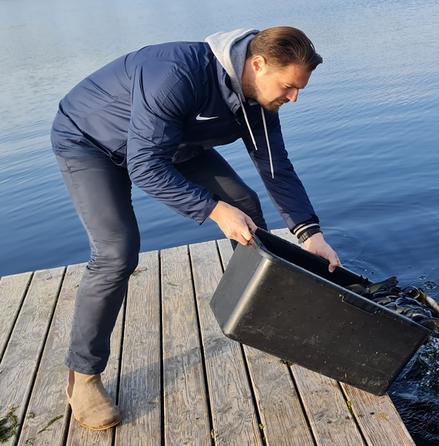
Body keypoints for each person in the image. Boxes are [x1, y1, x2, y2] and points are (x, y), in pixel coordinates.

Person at [51, 26, 341, 431]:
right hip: (90, 142)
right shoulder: (177, 74)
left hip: (172, 146)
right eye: (290, 87)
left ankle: (268, 314)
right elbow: (146, 168)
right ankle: (83, 377)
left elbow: (276, 169)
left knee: (245, 206)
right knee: (117, 253)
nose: (294, 98)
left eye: (300, 90)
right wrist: (214, 211)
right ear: (257, 64)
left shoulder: (259, 99)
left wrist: (312, 236)